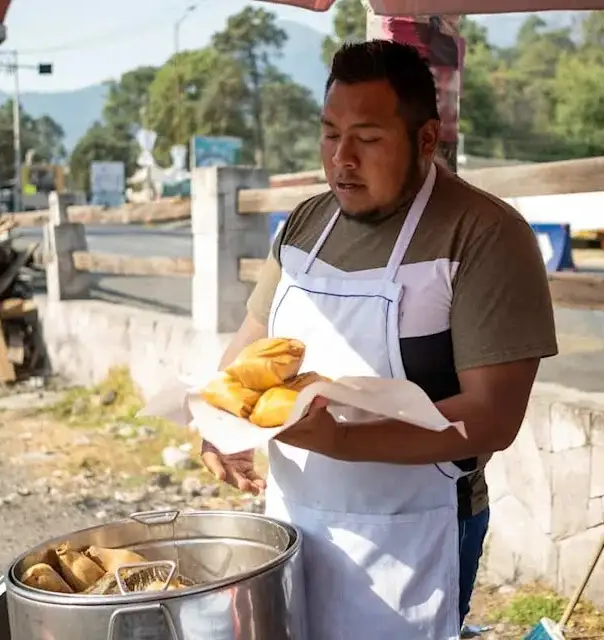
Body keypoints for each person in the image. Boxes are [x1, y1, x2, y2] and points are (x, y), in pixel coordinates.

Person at [200, 40, 558, 639]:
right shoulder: (305, 224)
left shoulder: (485, 236)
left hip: (413, 533)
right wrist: (219, 422)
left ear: (425, 139)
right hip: (295, 518)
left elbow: (492, 419)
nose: (342, 159)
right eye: (329, 133)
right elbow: (251, 344)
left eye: (367, 139)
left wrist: (340, 437)